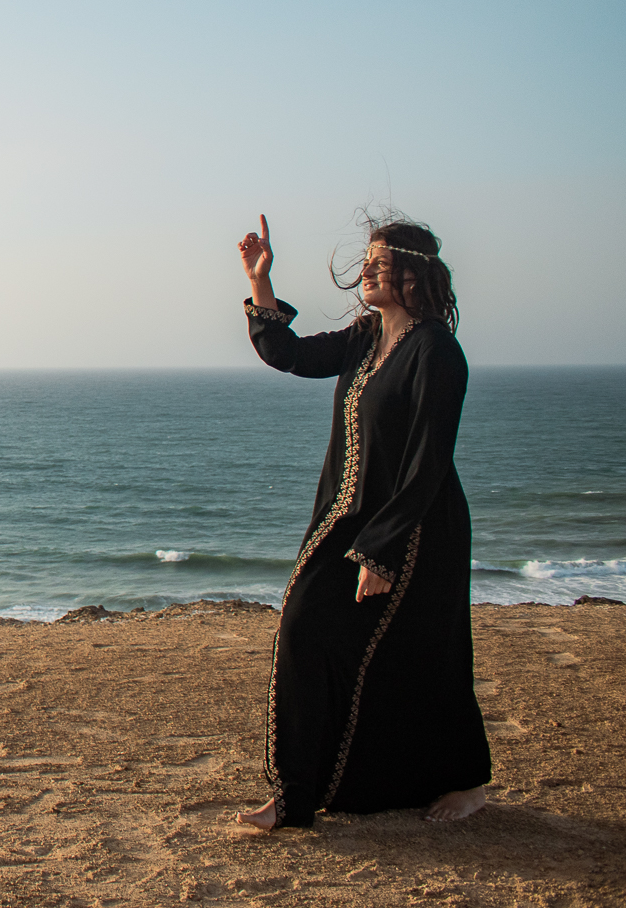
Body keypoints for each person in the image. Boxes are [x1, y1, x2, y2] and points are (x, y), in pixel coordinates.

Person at [232, 212, 491, 830]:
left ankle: (465, 784)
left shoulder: (435, 350)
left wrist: (383, 548)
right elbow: (288, 353)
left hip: (416, 526)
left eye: (382, 260)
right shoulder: (364, 339)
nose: (367, 269)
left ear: (414, 272)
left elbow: (429, 460)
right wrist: (259, 282)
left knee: (426, 657)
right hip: (346, 522)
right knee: (305, 629)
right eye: (368, 259)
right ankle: (297, 794)